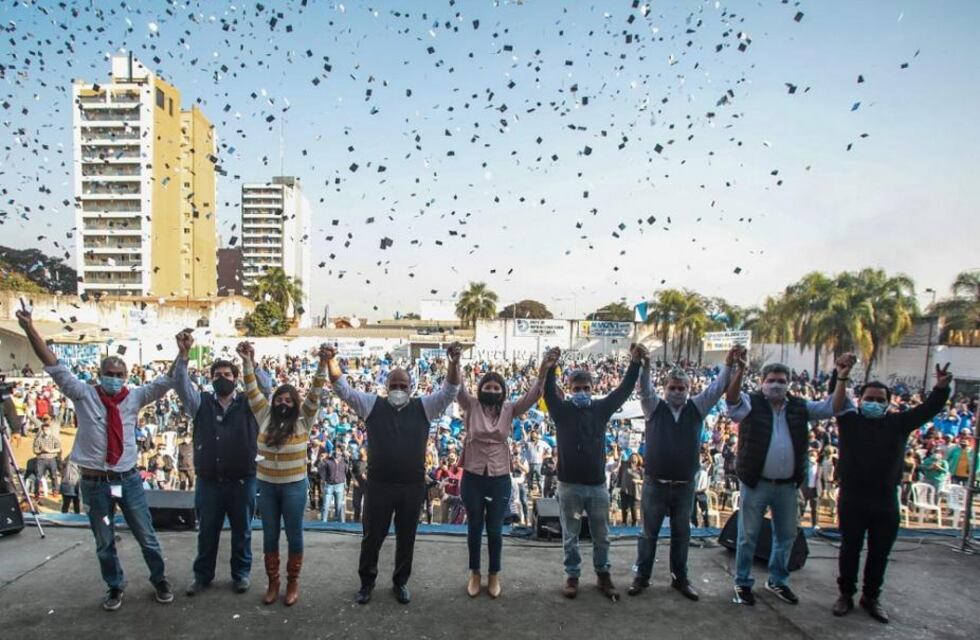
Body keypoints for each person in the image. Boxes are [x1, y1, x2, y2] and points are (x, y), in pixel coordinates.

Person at [16, 305, 175, 611]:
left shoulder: (136, 398)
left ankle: (160, 579)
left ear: (126, 376)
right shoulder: (83, 394)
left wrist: (182, 352)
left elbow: (167, 382)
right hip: (94, 485)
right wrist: (28, 328)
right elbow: (53, 364)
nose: (114, 379)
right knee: (104, 541)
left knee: (146, 535)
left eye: (119, 375)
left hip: (127, 482)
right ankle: (115, 586)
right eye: (109, 374)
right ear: (100, 375)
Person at [327, 342, 461, 606]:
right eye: (394, 385)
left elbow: (450, 391)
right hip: (379, 486)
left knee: (406, 538)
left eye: (403, 386)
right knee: (372, 537)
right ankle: (367, 583)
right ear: (386, 386)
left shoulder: (425, 406)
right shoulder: (371, 404)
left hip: (412, 487)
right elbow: (342, 388)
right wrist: (331, 360)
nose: (398, 389)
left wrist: (455, 362)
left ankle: (401, 582)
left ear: (411, 388)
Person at [831, 358, 953, 623]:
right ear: (860, 399)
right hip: (853, 497)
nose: (874, 402)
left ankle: (871, 597)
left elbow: (929, 409)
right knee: (849, 549)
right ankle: (845, 595)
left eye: (880, 399)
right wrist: (840, 374)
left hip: (885, 500)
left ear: (888, 403)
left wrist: (941, 388)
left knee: (879, 552)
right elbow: (835, 397)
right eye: (869, 398)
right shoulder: (849, 420)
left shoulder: (898, 424)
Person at [726, 359, 850, 607]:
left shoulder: (799, 407)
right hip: (755, 483)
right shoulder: (751, 403)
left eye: (781, 381)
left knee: (785, 536)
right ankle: (742, 581)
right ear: (762, 382)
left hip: (787, 486)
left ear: (789, 384)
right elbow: (732, 401)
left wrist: (842, 377)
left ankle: (777, 580)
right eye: (771, 380)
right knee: (747, 536)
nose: (776, 385)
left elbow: (833, 406)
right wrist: (739, 372)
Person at [629, 345, 737, 601]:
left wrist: (729, 365)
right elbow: (644, 389)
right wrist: (644, 365)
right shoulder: (653, 407)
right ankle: (641, 577)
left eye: (681, 388)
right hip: (655, 483)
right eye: (672, 388)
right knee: (648, 533)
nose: (677, 392)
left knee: (682, 534)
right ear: (665, 389)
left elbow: (716, 389)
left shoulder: (697, 408)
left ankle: (680, 578)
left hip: (685, 485)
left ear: (689, 390)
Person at [545, 344, 642, 601]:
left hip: (597, 485)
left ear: (593, 389)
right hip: (569, 486)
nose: (581, 392)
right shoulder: (561, 411)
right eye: (576, 389)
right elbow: (548, 392)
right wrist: (552, 366)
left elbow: (623, 391)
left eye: (586, 388)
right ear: (569, 391)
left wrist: (634, 363)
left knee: (601, 535)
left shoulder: (600, 409)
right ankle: (573, 575)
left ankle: (603, 574)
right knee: (571, 535)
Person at [239, 341, 329, 607]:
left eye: (289, 400)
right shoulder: (264, 415)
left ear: (296, 403)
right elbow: (251, 388)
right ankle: (273, 583)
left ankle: (292, 582)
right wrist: (247, 360)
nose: (283, 403)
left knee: (294, 534)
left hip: (294, 487)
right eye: (280, 398)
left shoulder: (304, 420)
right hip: (266, 486)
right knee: (269, 535)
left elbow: (315, 392)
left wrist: (322, 364)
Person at [173, 330, 258, 598]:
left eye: (227, 375)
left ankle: (241, 574)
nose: (222, 379)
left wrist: (249, 362)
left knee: (242, 532)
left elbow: (266, 388)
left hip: (242, 481)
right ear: (211, 379)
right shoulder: (201, 403)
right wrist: (184, 354)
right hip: (209, 482)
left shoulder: (250, 403)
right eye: (217, 375)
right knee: (206, 532)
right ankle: (202, 576)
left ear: (236, 379)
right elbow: (180, 382)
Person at [457, 358, 548, 598]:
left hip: (499, 477)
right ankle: (475, 574)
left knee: (496, 530)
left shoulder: (509, 409)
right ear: (480, 389)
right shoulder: (471, 405)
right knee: (474, 528)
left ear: (503, 392)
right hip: (473, 475)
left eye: (497, 387)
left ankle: (494, 575)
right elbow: (456, 387)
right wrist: (455, 361)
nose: (491, 390)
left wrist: (543, 370)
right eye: (487, 386)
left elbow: (531, 397)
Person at [32, 417, 61, 497]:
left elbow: (58, 448)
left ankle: (55, 491)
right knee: (38, 476)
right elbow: (35, 451)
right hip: (41, 459)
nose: (46, 431)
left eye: (48, 429)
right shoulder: (38, 440)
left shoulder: (54, 438)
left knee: (54, 476)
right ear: (42, 430)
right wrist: (41, 451)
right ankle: (36, 492)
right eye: (45, 430)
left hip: (52, 459)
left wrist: (50, 451)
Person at [320, 447, 348, 523]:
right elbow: (321, 470)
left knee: (338, 506)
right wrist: (324, 479)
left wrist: (345, 485)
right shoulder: (327, 461)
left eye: (339, 450)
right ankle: (323, 521)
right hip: (329, 485)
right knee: (326, 505)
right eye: (336, 450)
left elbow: (346, 473)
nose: (337, 452)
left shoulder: (345, 461)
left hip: (340, 486)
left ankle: (337, 522)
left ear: (341, 452)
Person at [618, 452, 643, 527]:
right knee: (624, 507)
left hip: (635, 491)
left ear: (638, 459)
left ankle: (634, 524)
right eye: (632, 457)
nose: (633, 459)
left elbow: (645, 481)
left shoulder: (641, 470)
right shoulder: (625, 465)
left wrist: (637, 481)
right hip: (624, 490)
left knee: (633, 508)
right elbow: (617, 459)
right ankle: (624, 523)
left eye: (635, 457)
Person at [350, 447, 368, 522]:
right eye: (359, 453)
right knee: (356, 504)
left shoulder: (371, 462)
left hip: (367, 486)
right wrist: (354, 480)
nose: (360, 454)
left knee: (367, 505)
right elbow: (352, 472)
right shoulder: (356, 461)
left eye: (362, 452)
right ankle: (356, 520)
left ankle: (365, 521)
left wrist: (367, 477)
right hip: (357, 485)